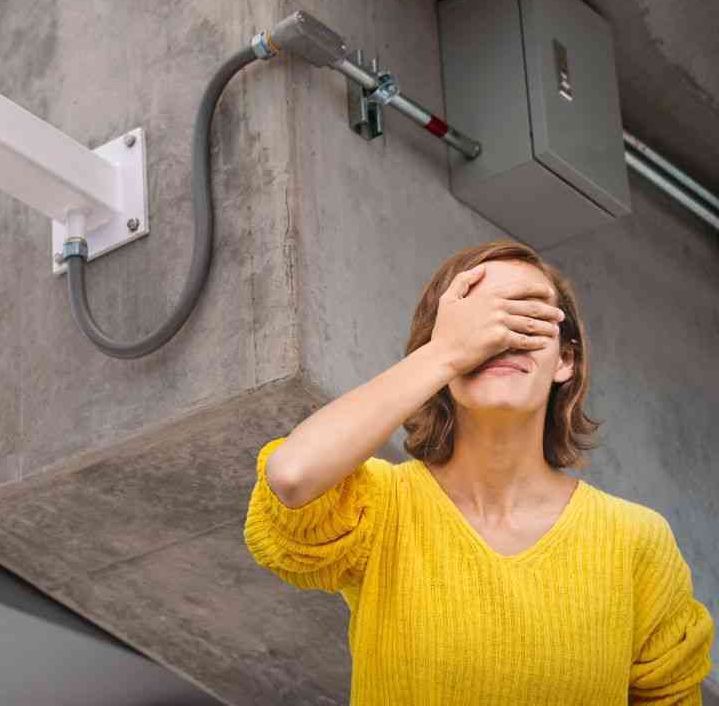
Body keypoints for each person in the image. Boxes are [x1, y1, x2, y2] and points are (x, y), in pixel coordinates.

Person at [243, 240, 714, 704]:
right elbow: (292, 476)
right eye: (478, 318)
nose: (500, 336)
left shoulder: (634, 540)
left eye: (528, 316)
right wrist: (446, 353)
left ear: (564, 359)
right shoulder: (382, 508)